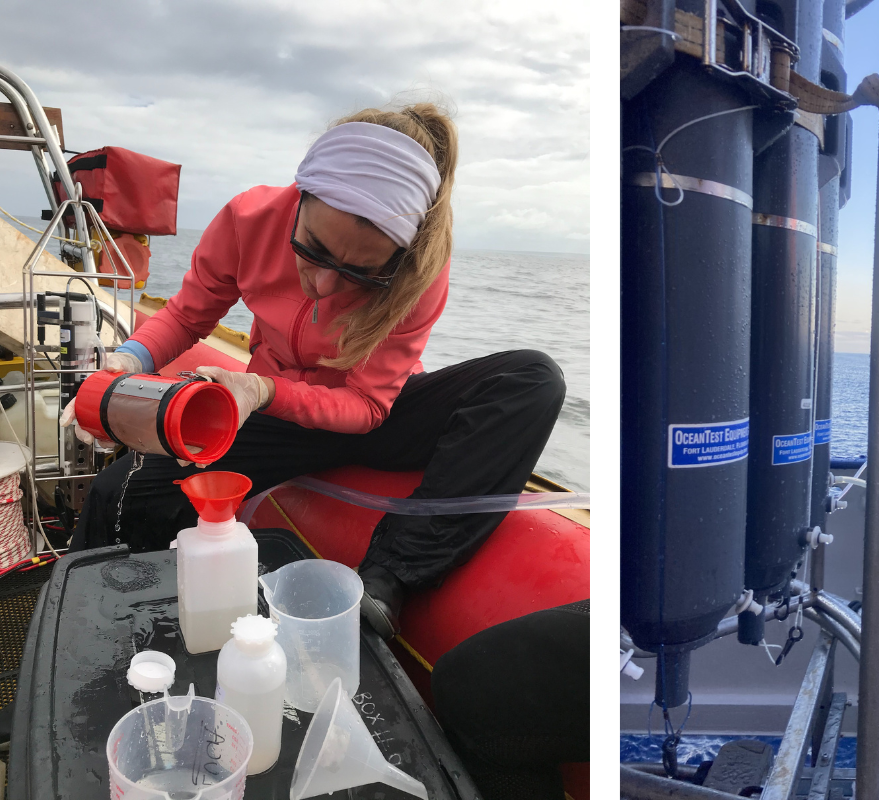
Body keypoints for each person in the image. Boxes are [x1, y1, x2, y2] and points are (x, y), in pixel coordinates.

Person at [60, 105, 567, 640]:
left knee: (534, 378)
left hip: (371, 415)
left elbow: (368, 405)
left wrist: (261, 389)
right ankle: (84, 629)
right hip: (277, 418)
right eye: (313, 249)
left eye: (360, 273)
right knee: (118, 492)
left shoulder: (422, 272)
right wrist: (128, 361)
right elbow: (187, 316)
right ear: (300, 196)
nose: (323, 285)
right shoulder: (247, 218)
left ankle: (389, 579)